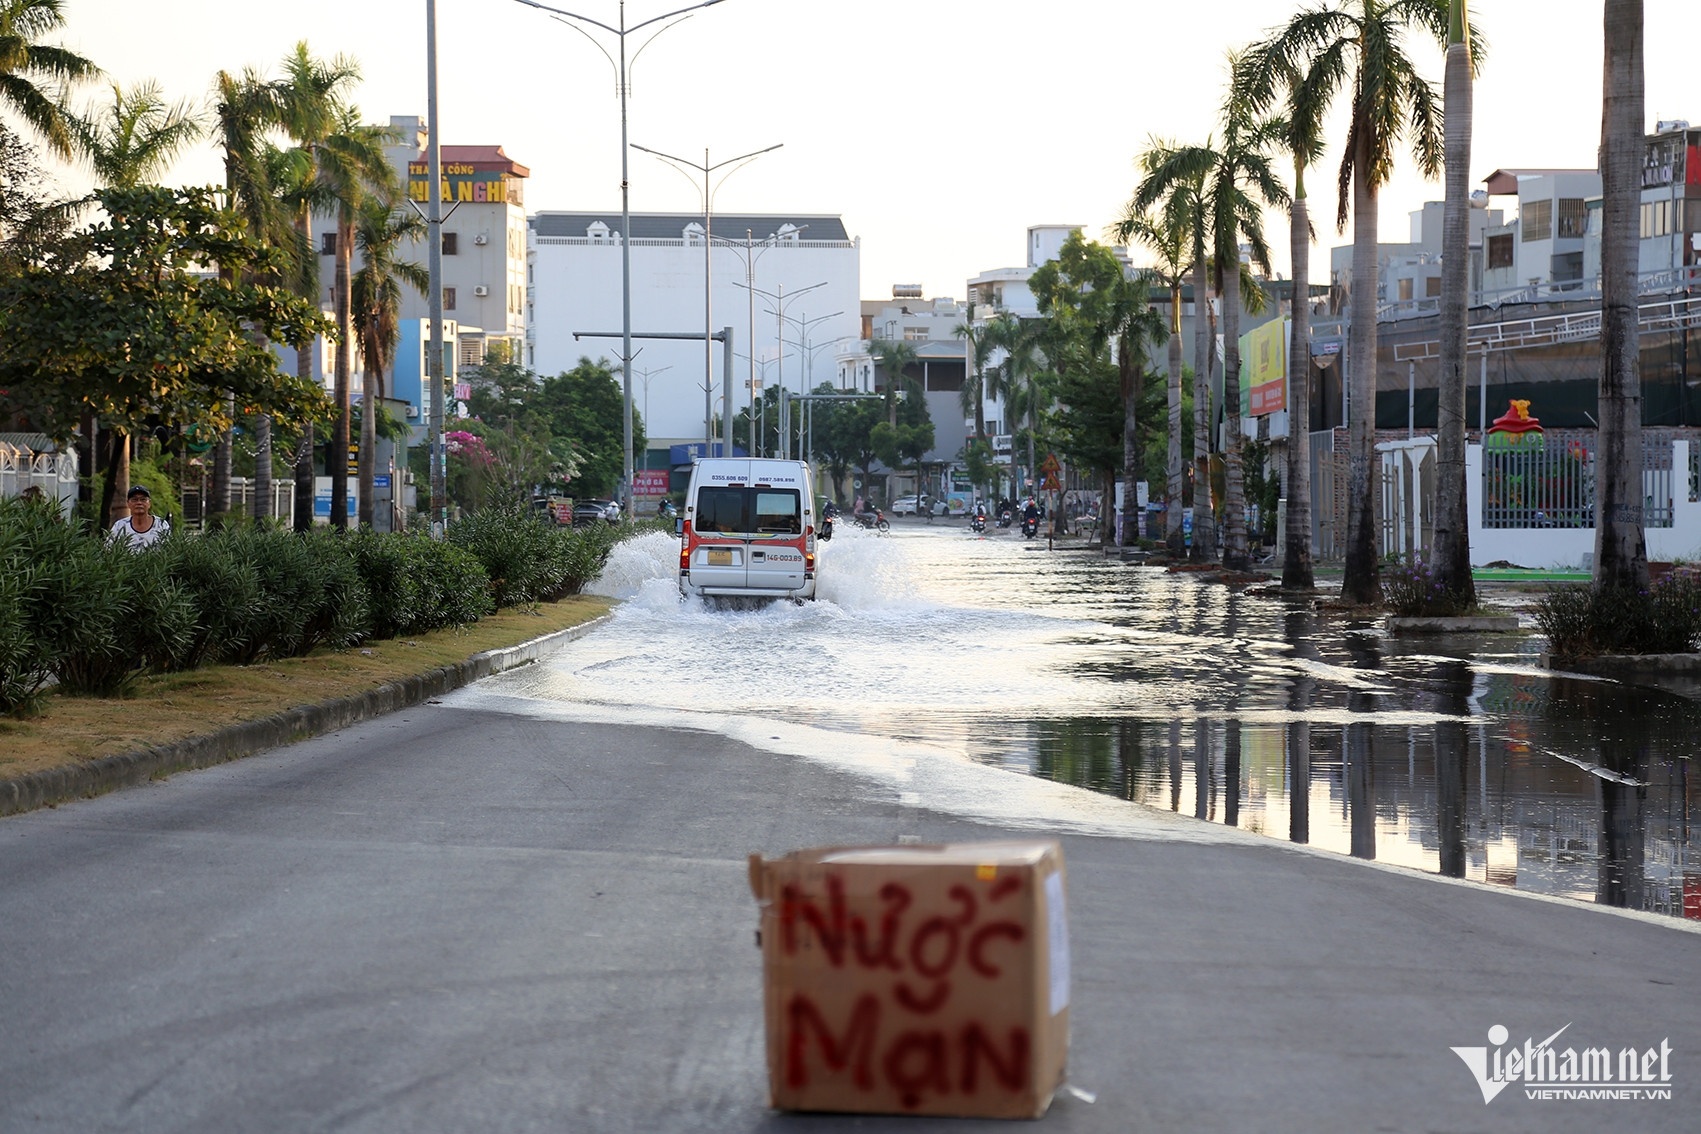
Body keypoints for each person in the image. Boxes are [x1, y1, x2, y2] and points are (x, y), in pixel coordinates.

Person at [109, 484, 169, 550]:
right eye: (134, 500)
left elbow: (169, 550)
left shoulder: (161, 524)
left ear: (149, 503)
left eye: (143, 499)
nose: (139, 503)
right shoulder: (120, 526)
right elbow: (108, 550)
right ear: (128, 503)